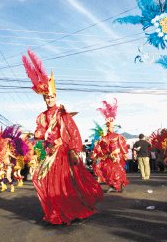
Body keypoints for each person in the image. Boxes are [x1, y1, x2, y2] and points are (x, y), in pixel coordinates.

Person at [22, 50, 103, 225]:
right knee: (44, 181)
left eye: (51, 97)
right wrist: (42, 135)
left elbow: (72, 131)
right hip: (49, 153)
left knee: (65, 185)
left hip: (63, 153)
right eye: (46, 97)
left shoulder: (62, 113)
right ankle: (56, 210)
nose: (49, 99)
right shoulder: (42, 116)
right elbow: (39, 132)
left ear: (55, 96)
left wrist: (74, 150)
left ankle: (72, 211)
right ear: (43, 98)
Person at [92, 98, 129, 193]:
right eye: (108, 126)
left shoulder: (118, 136)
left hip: (117, 156)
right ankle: (113, 185)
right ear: (106, 126)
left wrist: (124, 153)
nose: (110, 128)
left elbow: (122, 144)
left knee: (118, 171)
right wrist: (97, 151)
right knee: (108, 171)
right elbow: (100, 147)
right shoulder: (104, 138)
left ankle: (119, 185)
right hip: (108, 157)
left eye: (112, 126)